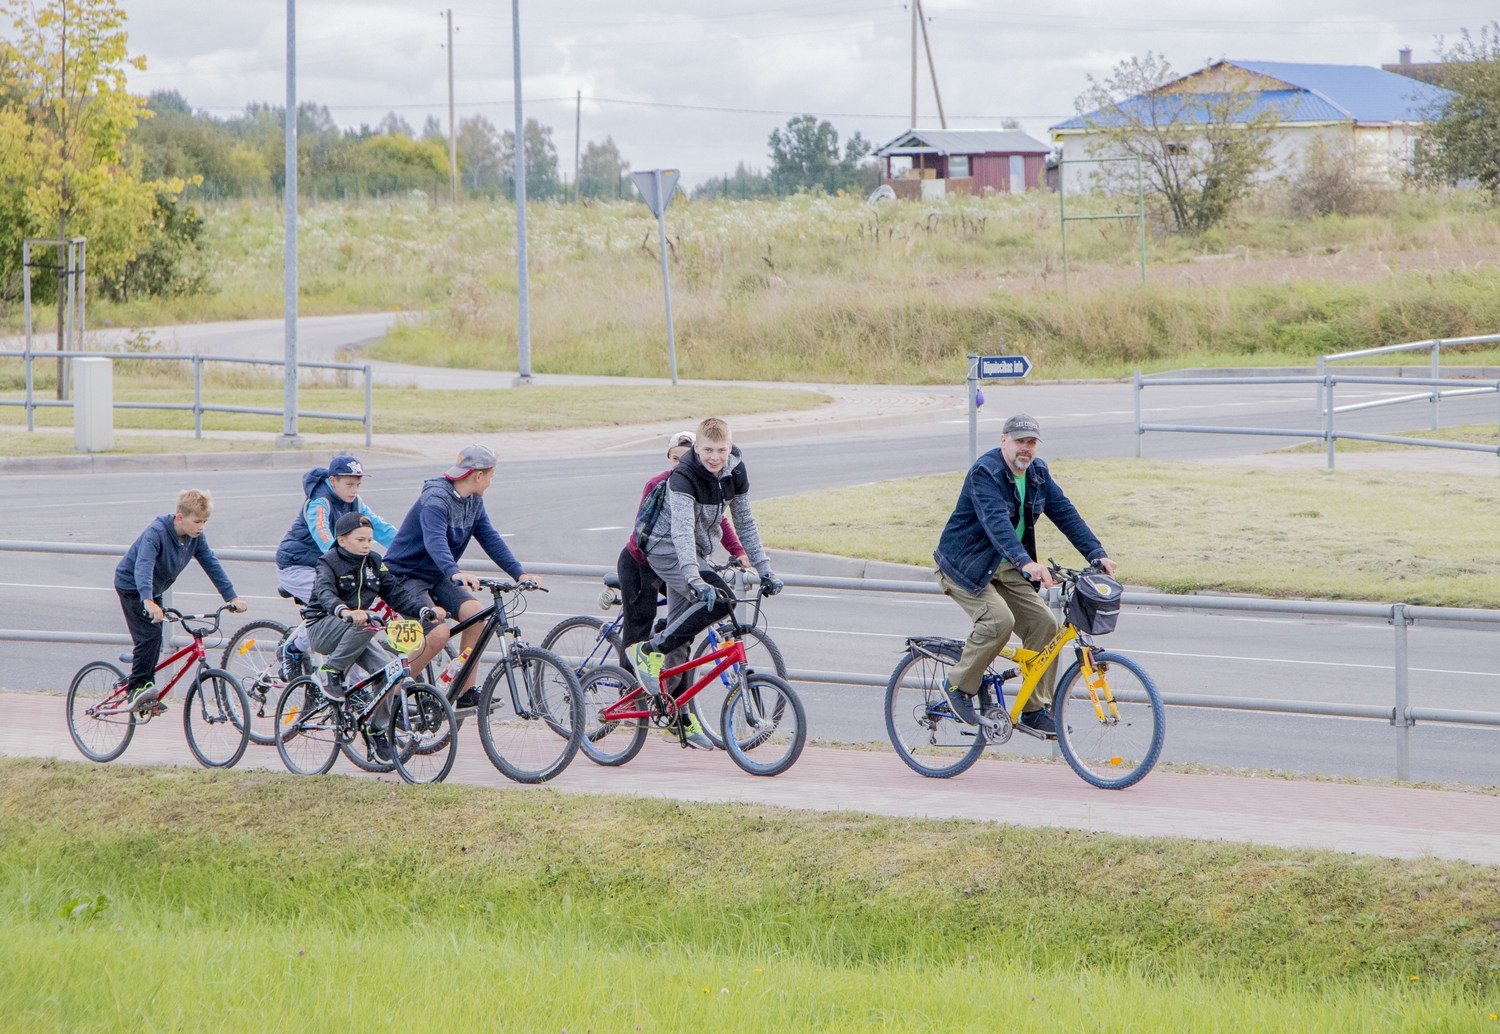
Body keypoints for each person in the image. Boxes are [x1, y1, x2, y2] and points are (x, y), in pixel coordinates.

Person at [932, 413, 1117, 737]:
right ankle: (957, 686)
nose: (1026, 449)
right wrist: (1025, 561)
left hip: (1005, 565)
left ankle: (1034, 708)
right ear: (1003, 440)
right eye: (1020, 441)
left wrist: (1096, 553)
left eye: (1031, 442)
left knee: (1045, 625)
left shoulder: (1037, 473)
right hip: (966, 564)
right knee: (997, 621)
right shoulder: (985, 472)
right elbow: (995, 523)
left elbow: (1065, 513)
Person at [625, 417, 782, 749]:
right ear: (696, 448)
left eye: (721, 450)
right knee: (722, 600)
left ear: (730, 447)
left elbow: (744, 520)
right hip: (663, 549)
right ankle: (648, 651)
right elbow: (681, 532)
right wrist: (693, 577)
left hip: (694, 553)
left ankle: (676, 714)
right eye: (707, 450)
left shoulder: (735, 470)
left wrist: (764, 568)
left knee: (681, 636)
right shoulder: (684, 475)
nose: (714, 457)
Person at [383, 444, 540, 705]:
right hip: (404, 576)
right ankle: (390, 699)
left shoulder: (473, 501)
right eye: (491, 476)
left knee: (476, 615)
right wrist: (454, 571)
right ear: (478, 475)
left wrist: (519, 574)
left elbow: (490, 539)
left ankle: (466, 692)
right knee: (438, 634)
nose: (491, 482)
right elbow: (435, 541)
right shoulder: (436, 498)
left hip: (436, 576)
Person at [617, 429, 750, 672]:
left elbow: (719, 520)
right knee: (639, 624)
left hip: (681, 559)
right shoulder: (659, 483)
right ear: (669, 458)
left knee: (684, 625)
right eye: (675, 458)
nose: (680, 463)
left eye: (684, 458)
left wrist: (739, 551)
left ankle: (676, 700)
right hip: (643, 562)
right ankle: (630, 695)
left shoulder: (702, 482)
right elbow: (644, 528)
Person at [113, 488, 247, 712]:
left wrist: (231, 597)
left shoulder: (195, 538)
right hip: (133, 587)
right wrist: (147, 600)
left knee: (155, 635)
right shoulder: (156, 532)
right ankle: (137, 689)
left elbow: (211, 564)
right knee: (149, 636)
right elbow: (143, 566)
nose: (201, 527)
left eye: (205, 521)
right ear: (180, 517)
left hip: (153, 590)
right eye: (197, 521)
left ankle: (146, 688)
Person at [273, 455, 397, 678]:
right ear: (333, 481)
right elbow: (324, 537)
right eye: (349, 484)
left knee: (351, 618)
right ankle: (292, 649)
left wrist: (406, 550)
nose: (354, 490)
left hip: (327, 566)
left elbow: (380, 527)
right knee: (344, 612)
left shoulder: (355, 502)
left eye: (358, 485)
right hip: (297, 566)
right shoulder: (319, 502)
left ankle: (347, 682)